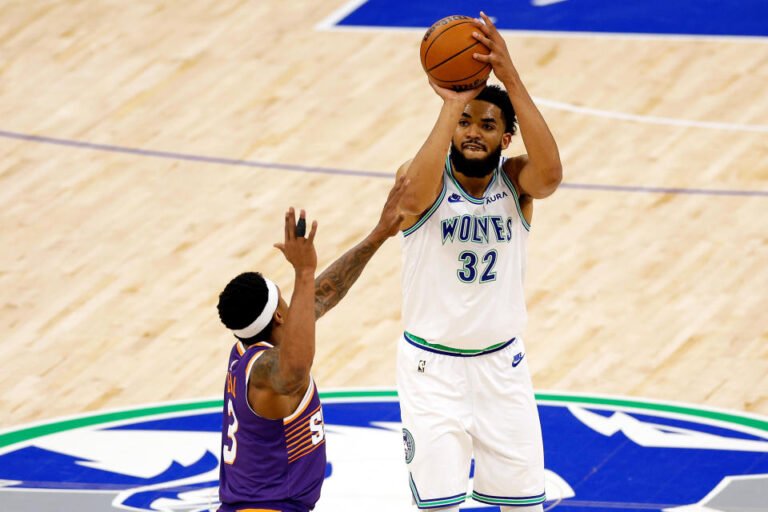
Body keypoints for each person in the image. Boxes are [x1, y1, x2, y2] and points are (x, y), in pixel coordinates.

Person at [395, 12, 562, 512]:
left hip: (502, 369)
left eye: (487, 125)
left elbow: (551, 175)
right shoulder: (423, 177)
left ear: (505, 138)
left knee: (522, 507)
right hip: (432, 371)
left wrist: (508, 75)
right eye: (466, 122)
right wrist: (454, 101)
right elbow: (413, 195)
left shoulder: (517, 184)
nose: (473, 131)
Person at [215, 178, 406, 512]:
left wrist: (379, 234)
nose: (296, 305)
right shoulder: (264, 372)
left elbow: (320, 295)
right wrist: (302, 271)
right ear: (277, 316)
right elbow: (295, 369)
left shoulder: (247, 350)